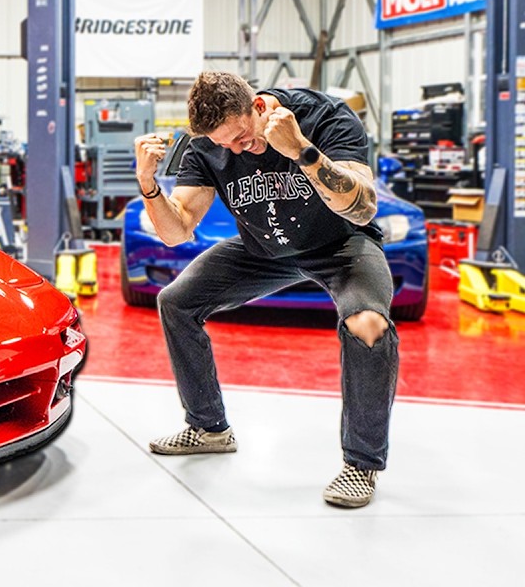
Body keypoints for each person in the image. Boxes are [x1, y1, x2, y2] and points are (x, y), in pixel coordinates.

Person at [133, 70, 399, 508]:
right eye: (224, 145)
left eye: (241, 137)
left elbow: (363, 207)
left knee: (367, 323)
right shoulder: (207, 143)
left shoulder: (322, 117)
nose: (236, 150)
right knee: (176, 302)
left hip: (340, 244)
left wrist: (301, 151)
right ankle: (209, 428)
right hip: (262, 249)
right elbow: (176, 230)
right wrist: (148, 183)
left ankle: (361, 465)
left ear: (259, 107)